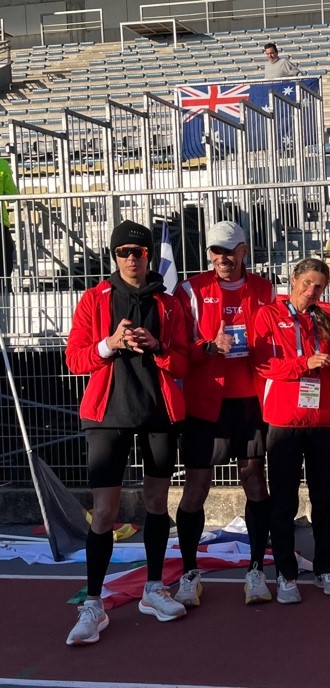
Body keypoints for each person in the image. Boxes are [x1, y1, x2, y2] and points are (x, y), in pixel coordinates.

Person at [64, 220, 189, 645]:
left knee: (156, 502)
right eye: (123, 252)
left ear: (150, 254)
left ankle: (154, 588)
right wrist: (110, 343)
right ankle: (93, 603)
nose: (132, 258)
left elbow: (186, 360)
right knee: (105, 511)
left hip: (158, 413)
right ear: (114, 256)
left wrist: (159, 348)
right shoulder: (94, 298)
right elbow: (75, 359)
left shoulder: (170, 303)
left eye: (138, 251)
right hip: (107, 415)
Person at [173, 220, 275, 608]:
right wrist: (208, 348)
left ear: (244, 251)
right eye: (215, 251)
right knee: (196, 488)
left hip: (250, 400)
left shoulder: (264, 289)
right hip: (206, 403)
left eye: (229, 250)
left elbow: (275, 338)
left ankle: (255, 570)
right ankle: (188, 574)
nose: (221, 258)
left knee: (254, 482)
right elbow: (178, 350)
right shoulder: (190, 290)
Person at [252, 258, 330, 603]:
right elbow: (262, 364)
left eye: (319, 286)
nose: (311, 291)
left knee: (324, 499)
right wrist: (302, 363)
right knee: (284, 502)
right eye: (306, 283)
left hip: (321, 421)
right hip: (284, 421)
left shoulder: (324, 318)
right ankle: (286, 574)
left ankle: (325, 567)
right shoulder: (268, 315)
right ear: (293, 279)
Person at [0, 156, 17, 281]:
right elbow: (13, 196)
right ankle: (5, 287)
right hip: (0, 221)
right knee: (4, 257)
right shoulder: (2, 165)